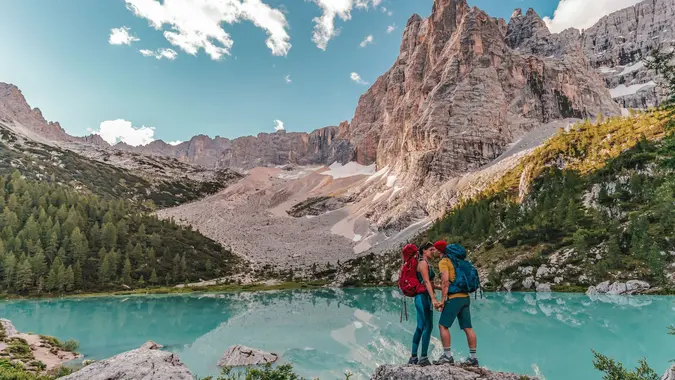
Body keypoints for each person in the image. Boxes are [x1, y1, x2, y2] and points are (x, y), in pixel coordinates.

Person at [433, 241, 479, 367]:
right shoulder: (459, 262)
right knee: (468, 328)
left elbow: (445, 282)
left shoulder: (444, 261)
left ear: (440, 251)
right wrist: (436, 287)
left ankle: (447, 356)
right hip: (465, 298)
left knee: (443, 325)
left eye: (435, 249)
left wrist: (442, 300)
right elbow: (453, 283)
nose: (434, 251)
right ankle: (473, 358)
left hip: (454, 299)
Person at [408, 242, 442, 367]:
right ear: (424, 251)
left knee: (421, 326)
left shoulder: (427, 264)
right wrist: (433, 298)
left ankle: (413, 357)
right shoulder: (422, 263)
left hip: (423, 297)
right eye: (431, 250)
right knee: (428, 326)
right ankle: (423, 358)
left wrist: (442, 288)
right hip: (423, 298)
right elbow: (426, 282)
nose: (433, 252)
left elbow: (430, 283)